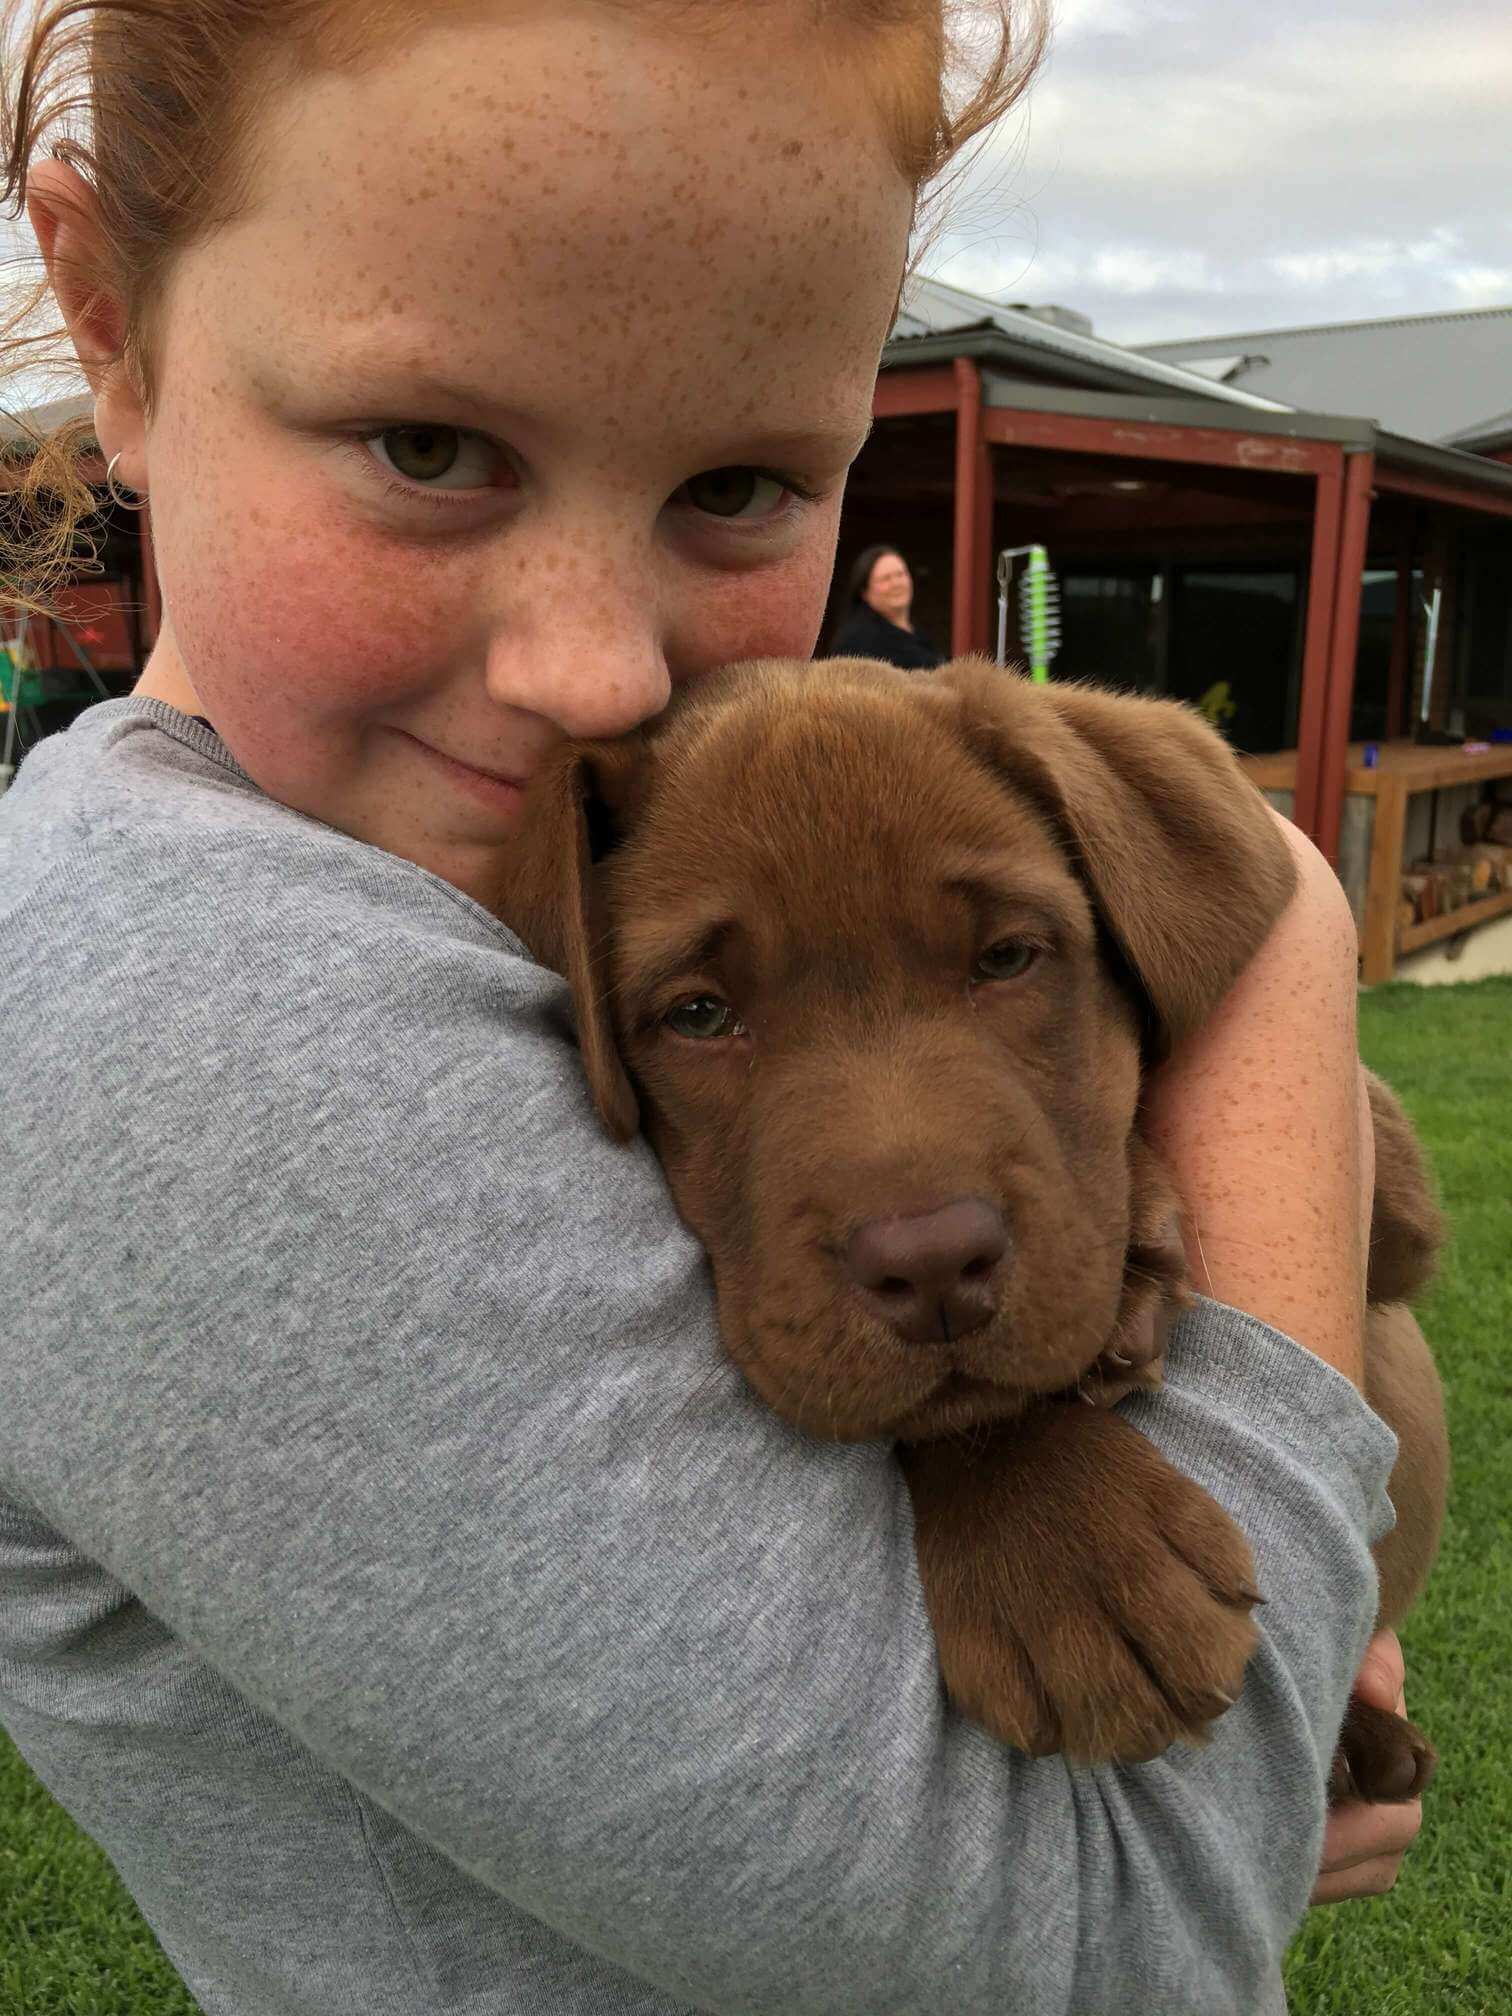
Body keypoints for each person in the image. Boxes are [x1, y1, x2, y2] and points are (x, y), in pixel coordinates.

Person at [0, 3, 1418, 2011]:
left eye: (745, 481)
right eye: (427, 449)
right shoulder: (168, 1025)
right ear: (109, 317)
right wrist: (1283, 941)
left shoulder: (579, 851)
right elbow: (1125, 1945)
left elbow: (1379, 1243)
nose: (598, 676)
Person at [826, 542, 945, 668]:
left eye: (900, 574)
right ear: (864, 591)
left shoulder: (920, 635)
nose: (896, 584)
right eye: (886, 578)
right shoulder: (855, 642)